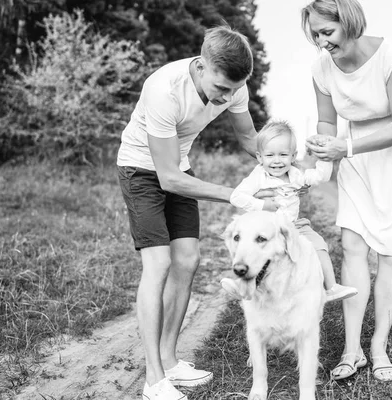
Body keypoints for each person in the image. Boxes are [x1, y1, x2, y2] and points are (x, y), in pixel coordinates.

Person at [117, 26, 275, 400]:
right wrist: (239, 197)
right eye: (221, 88)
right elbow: (168, 179)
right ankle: (154, 378)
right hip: (141, 170)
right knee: (158, 264)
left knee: (187, 261)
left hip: (178, 167)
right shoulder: (164, 89)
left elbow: (250, 139)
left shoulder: (234, 87)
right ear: (201, 66)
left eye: (234, 90)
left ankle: (170, 360)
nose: (227, 97)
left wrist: (282, 167)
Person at [300, 0, 392, 382]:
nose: (321, 42)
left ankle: (379, 345)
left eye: (327, 32)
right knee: (353, 246)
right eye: (315, 35)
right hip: (358, 158)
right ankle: (352, 349)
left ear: (349, 22)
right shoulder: (320, 68)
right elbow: (327, 121)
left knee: (391, 253)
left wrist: (346, 148)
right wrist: (321, 166)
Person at [221, 120, 358, 302]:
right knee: (250, 251)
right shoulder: (258, 176)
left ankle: (331, 287)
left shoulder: (295, 175)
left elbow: (320, 177)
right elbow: (237, 196)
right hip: (264, 229)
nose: (276, 161)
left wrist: (324, 157)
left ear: (293, 156)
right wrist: (262, 206)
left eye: (283, 155)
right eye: (269, 155)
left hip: (293, 226)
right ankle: (243, 286)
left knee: (318, 245)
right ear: (260, 157)